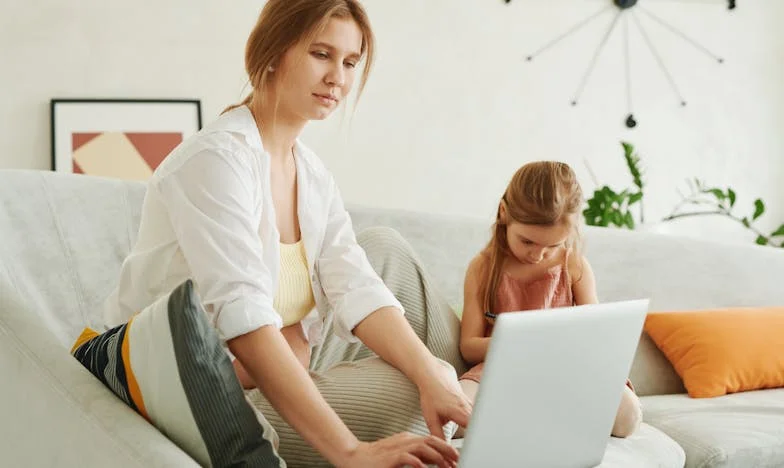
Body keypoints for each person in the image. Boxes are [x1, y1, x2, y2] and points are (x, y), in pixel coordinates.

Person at [103, 1, 471, 466]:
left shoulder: (311, 173)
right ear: (273, 50)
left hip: (279, 366)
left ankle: (464, 384)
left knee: (387, 260)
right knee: (407, 390)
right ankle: (471, 389)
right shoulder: (216, 162)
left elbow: (355, 284)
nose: (338, 76)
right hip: (209, 396)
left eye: (351, 62)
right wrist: (351, 452)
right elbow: (245, 324)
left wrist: (431, 374)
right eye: (322, 54)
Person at [457, 161, 642, 438]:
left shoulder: (575, 266)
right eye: (527, 241)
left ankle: (538, 414)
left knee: (628, 416)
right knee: (456, 418)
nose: (537, 255)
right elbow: (469, 347)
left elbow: (595, 335)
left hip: (565, 370)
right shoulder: (482, 268)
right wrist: (523, 341)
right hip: (504, 369)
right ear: (504, 213)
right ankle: (540, 415)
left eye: (553, 245)